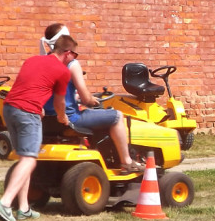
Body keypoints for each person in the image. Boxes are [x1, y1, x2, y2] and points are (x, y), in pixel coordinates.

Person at [0, 34, 77, 221]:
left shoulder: (32, 60)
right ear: (68, 53)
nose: (74, 59)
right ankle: (5, 203)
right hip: (27, 112)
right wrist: (63, 118)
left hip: (10, 108)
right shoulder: (63, 72)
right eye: (74, 55)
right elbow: (59, 102)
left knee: (25, 158)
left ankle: (24, 208)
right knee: (30, 159)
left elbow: (29, 86)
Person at [40, 23, 143, 175]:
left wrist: (74, 97)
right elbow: (86, 98)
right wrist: (91, 100)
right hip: (70, 118)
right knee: (116, 116)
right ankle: (127, 161)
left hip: (49, 120)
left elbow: (55, 92)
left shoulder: (43, 61)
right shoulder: (71, 63)